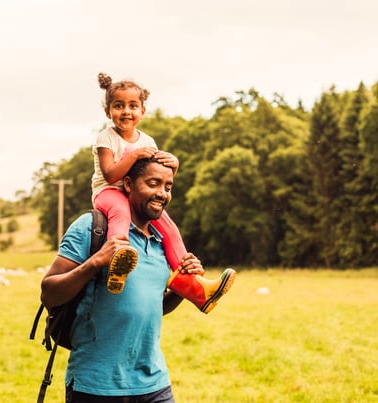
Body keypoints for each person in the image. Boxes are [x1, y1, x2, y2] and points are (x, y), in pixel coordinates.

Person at [41, 157, 206, 402]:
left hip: (154, 383)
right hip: (95, 386)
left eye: (168, 187)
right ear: (128, 184)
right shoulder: (92, 227)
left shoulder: (162, 242)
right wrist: (96, 261)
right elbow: (48, 293)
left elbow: (153, 307)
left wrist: (181, 288)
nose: (162, 193)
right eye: (153, 183)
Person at [92, 72, 235, 313]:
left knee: (168, 227)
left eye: (132, 106)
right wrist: (136, 155)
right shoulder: (105, 138)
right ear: (108, 112)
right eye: (118, 106)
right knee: (119, 212)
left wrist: (174, 164)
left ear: (143, 112)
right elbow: (110, 175)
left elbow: (155, 175)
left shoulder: (147, 140)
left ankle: (194, 283)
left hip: (135, 194)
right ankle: (119, 259)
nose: (126, 111)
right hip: (109, 192)